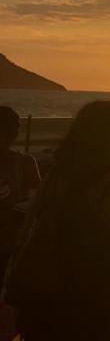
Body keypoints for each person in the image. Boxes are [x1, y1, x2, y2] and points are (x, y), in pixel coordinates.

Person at [7, 101, 110, 341]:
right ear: (105, 137)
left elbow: (25, 237)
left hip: (50, 308)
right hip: (103, 312)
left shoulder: (55, 179)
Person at [0, 107, 40, 281]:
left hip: (13, 239)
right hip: (14, 238)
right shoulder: (25, 163)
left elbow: (36, 201)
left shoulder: (25, 163)